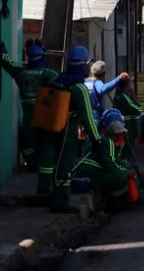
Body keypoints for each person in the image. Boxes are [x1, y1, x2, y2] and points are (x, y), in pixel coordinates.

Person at [34, 45, 102, 213]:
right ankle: (61, 201)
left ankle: (52, 194)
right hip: (67, 131)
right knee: (64, 167)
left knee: (55, 164)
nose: (88, 68)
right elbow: (87, 117)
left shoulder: (59, 80)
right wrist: (96, 139)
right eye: (86, 64)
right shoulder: (79, 88)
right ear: (82, 65)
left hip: (51, 128)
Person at [0, 40, 58, 176]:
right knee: (46, 147)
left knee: (28, 144)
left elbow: (9, 64)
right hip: (44, 121)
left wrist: (3, 54)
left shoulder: (21, 73)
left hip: (28, 122)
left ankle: (33, 164)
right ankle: (47, 168)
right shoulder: (49, 74)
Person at [75, 109, 144, 212]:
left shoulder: (100, 137)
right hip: (89, 177)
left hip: (90, 174)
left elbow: (114, 159)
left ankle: (137, 194)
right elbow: (111, 166)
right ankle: (117, 202)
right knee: (120, 175)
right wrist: (126, 172)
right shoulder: (106, 141)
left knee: (127, 166)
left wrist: (127, 166)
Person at [112, 75, 144, 165]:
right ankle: (127, 164)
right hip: (129, 126)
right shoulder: (124, 97)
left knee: (127, 146)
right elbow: (137, 109)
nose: (133, 84)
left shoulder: (119, 96)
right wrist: (133, 94)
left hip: (127, 125)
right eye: (131, 83)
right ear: (127, 85)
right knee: (128, 146)